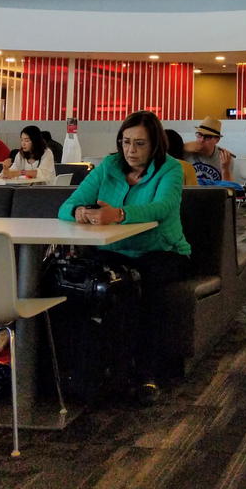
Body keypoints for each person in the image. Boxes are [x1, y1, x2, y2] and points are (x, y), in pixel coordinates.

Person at [57, 110, 190, 404]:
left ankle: (145, 374)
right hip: (114, 252)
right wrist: (80, 212)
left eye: (140, 143)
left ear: (155, 144)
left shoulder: (170, 169)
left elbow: (162, 207)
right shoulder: (109, 166)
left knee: (143, 291)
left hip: (162, 251)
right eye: (126, 141)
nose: (131, 150)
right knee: (80, 288)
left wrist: (117, 214)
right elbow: (66, 206)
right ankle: (87, 372)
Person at [183, 117, 234, 183]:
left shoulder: (224, 158)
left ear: (217, 140)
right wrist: (182, 147)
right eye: (199, 135)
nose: (201, 140)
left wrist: (225, 169)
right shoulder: (186, 151)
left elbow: (228, 189)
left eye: (208, 137)